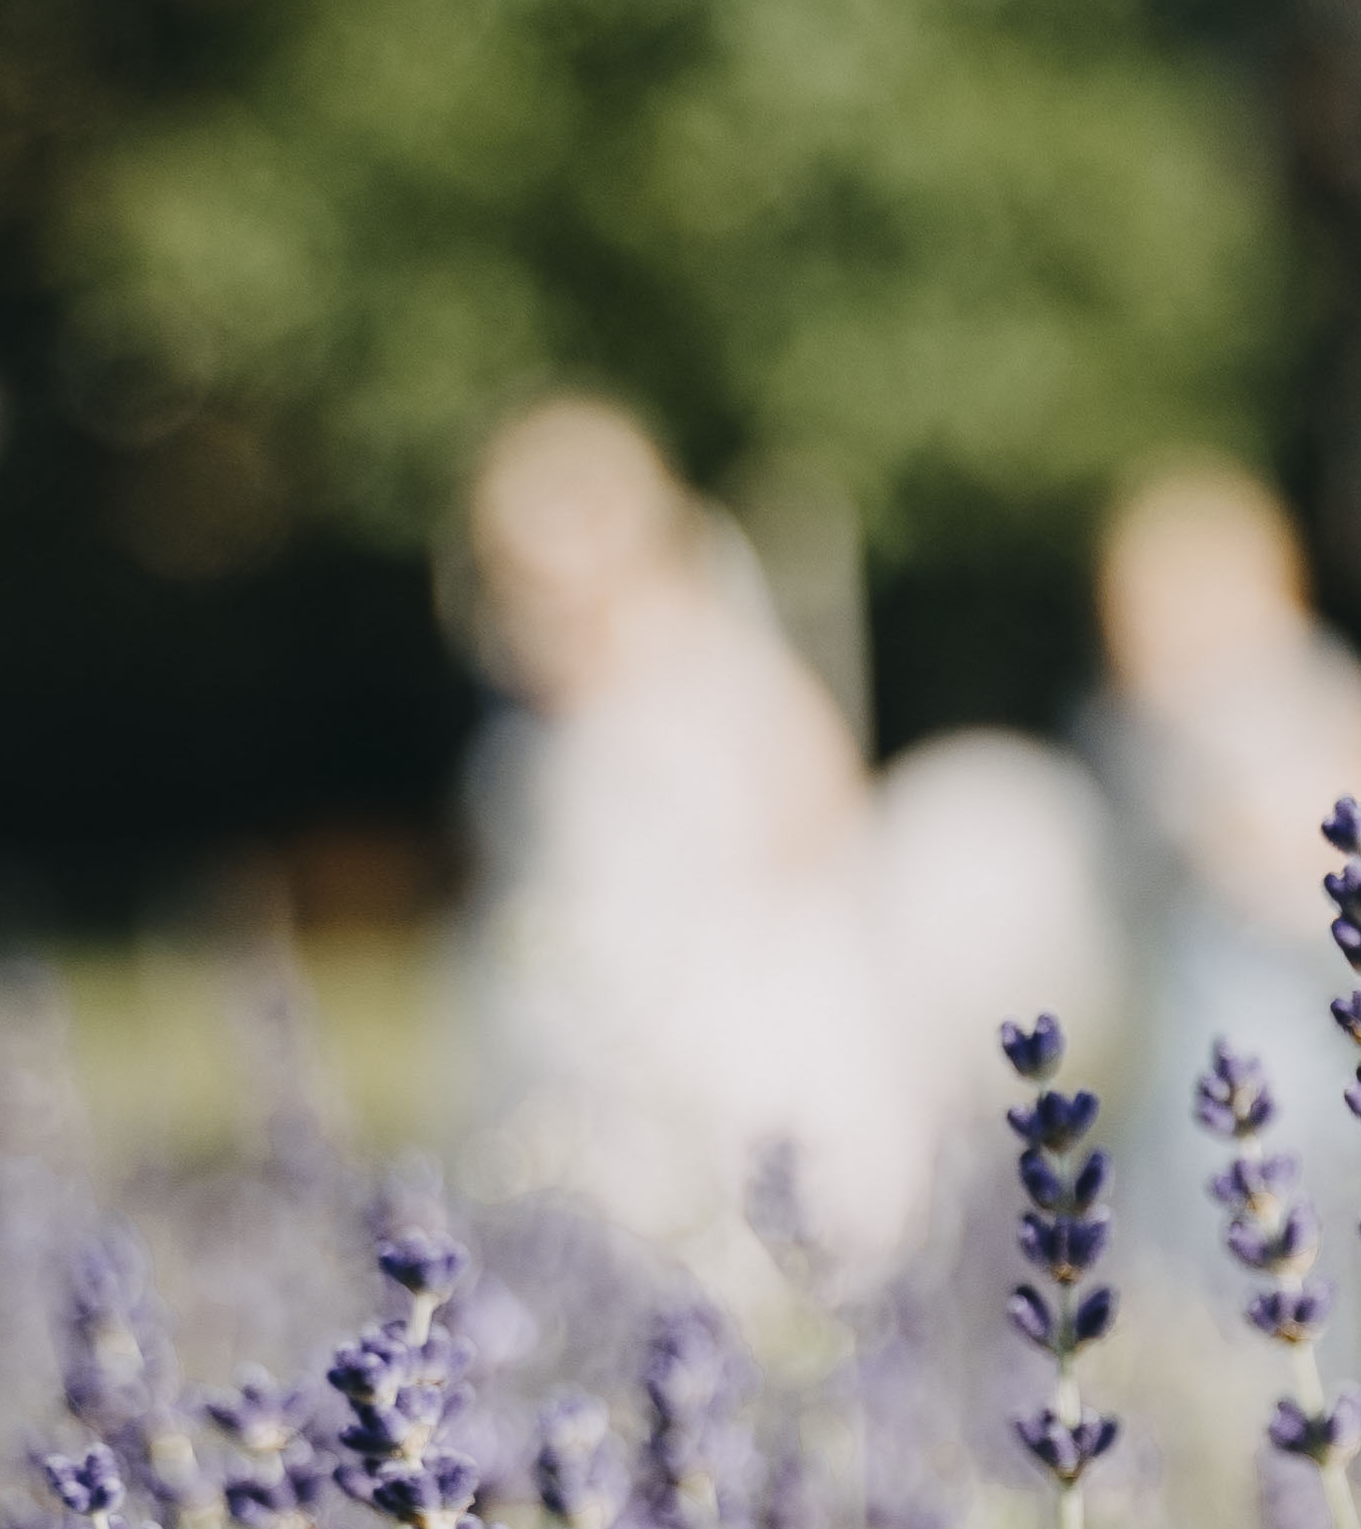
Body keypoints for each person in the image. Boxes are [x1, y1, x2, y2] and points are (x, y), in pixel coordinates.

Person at [450, 398, 1107, 1313]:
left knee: (746, 1258)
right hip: (584, 998)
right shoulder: (536, 686)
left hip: (724, 998)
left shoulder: (710, 651)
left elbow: (821, 806)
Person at [1089, 462, 1361, 1205]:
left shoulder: (1312, 681)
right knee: (1192, 1180)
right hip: (1183, 1003)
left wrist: (1320, 877)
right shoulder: (1139, 718)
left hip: (1304, 982)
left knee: (1309, 1166)